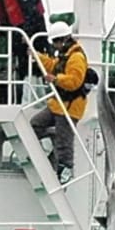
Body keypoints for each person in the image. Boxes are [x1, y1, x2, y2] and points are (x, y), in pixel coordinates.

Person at [31, 21, 89, 185]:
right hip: (59, 104)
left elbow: (75, 81)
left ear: (63, 40)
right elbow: (53, 65)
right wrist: (38, 56)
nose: (55, 47)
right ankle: (52, 151)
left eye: (56, 42)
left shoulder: (76, 57)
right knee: (35, 124)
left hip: (69, 107)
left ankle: (65, 172)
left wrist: (56, 79)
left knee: (64, 143)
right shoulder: (66, 55)